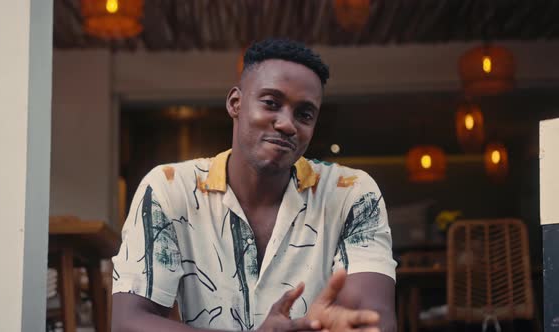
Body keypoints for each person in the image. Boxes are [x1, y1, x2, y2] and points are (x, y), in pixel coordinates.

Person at [111, 38, 397, 332]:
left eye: (304, 114)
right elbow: (127, 322)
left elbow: (373, 316)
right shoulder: (169, 188)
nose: (287, 124)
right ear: (235, 103)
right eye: (271, 103)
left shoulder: (351, 193)